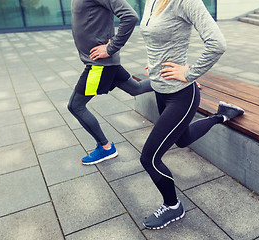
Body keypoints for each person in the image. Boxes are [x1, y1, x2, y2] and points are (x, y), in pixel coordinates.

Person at [139, 0, 244, 230]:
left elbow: (217, 43)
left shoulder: (184, 1)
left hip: (181, 95)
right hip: (161, 90)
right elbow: (156, 40)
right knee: (183, 138)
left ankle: (173, 206)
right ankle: (222, 115)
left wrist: (190, 73)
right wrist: (154, 65)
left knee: (149, 158)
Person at [68, 0, 153, 165]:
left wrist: (110, 48)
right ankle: (174, 82)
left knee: (75, 106)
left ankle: (106, 148)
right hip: (103, 64)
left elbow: (130, 16)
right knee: (136, 88)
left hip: (99, 66)